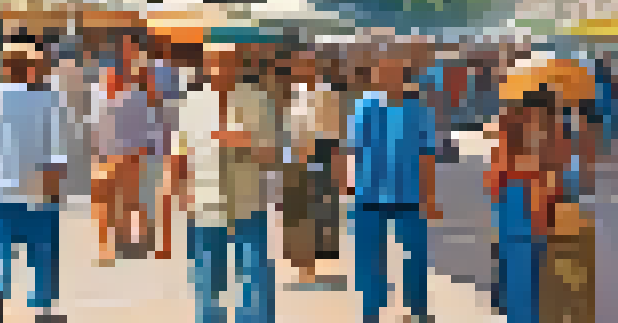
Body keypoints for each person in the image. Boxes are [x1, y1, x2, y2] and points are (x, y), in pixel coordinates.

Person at [168, 43, 280, 323]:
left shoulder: (257, 100)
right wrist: (177, 192)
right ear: (206, 66)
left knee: (253, 279)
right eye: (215, 62)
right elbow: (179, 152)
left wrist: (244, 141)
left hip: (247, 203)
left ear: (238, 65)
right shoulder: (192, 103)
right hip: (205, 203)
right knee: (207, 282)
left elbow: (272, 153)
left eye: (227, 62)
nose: (220, 69)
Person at [0, 43, 71, 323]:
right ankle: (42, 311)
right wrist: (55, 193)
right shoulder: (50, 101)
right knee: (42, 254)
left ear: (4, 67)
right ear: (31, 68)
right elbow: (56, 156)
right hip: (37, 192)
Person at [342, 54, 442, 323]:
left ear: (402, 75)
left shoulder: (419, 109)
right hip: (368, 194)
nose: (384, 77)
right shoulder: (364, 106)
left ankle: (417, 308)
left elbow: (427, 154)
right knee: (368, 258)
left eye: (391, 71)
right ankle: (370, 310)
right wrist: (349, 185)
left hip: (409, 195)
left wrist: (429, 196)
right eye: (380, 71)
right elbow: (353, 148)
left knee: (415, 256)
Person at [487, 86, 563, 323]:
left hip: (517, 199)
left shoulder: (519, 127)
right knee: (525, 268)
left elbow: (496, 174)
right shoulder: (522, 128)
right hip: (523, 199)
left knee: (522, 266)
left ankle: (506, 300)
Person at [90, 57, 166, 264]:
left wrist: (138, 156)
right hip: (107, 159)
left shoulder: (136, 101)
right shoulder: (99, 102)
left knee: (133, 204)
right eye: (107, 79)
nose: (110, 82)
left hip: (132, 160)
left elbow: (150, 132)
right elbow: (93, 134)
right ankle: (105, 246)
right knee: (105, 204)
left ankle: (134, 241)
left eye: (114, 79)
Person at [280, 49, 346, 287]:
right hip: (293, 161)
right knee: (295, 215)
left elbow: (335, 132)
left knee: (315, 214)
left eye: (305, 65)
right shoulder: (294, 93)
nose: (300, 70)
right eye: (298, 66)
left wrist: (334, 164)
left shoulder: (326, 94)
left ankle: (310, 264)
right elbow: (289, 130)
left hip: (318, 159)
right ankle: (302, 262)